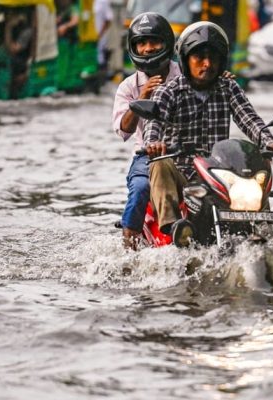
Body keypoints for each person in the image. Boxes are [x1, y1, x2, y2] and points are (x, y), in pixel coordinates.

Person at [143, 22, 273, 247]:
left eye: (214, 58)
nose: (207, 64)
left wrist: (271, 144)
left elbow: (250, 119)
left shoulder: (229, 87)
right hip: (183, 176)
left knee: (261, 164)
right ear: (185, 59)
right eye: (199, 57)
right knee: (158, 165)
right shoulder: (169, 91)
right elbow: (153, 123)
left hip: (221, 175)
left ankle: (265, 229)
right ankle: (174, 228)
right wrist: (153, 143)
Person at [113, 12, 180, 250]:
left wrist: (219, 78)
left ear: (167, 44)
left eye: (154, 41)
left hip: (186, 151)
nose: (148, 48)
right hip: (146, 155)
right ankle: (128, 245)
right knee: (140, 188)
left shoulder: (185, 75)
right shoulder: (128, 87)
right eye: (142, 43)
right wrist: (142, 99)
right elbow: (124, 130)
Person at [4, 9, 34, 99]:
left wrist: (8, 28)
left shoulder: (27, 31)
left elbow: (12, 50)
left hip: (21, 63)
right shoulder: (5, 27)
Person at [92, 0, 114, 74]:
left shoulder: (103, 1)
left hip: (100, 36)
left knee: (101, 58)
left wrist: (100, 33)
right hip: (89, 38)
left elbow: (108, 19)